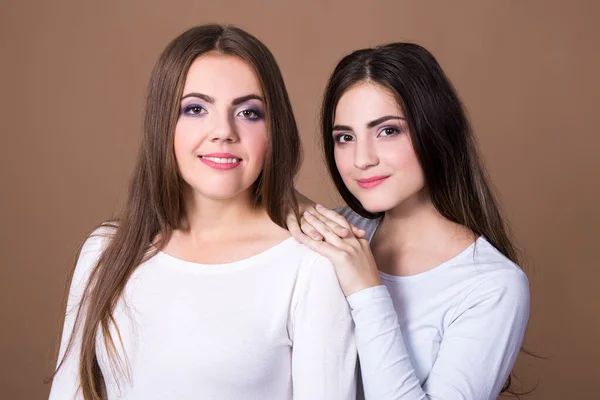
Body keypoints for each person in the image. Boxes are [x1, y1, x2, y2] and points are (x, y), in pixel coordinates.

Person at [49, 24, 357, 400]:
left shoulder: (311, 264)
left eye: (248, 112)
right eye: (195, 108)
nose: (223, 131)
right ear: (163, 124)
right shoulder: (106, 250)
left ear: (275, 130)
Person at [287, 43, 530, 399]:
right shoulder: (337, 233)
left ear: (434, 130)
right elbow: (269, 197)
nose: (361, 159)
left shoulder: (492, 287)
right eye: (345, 137)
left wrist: (367, 291)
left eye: (387, 131)